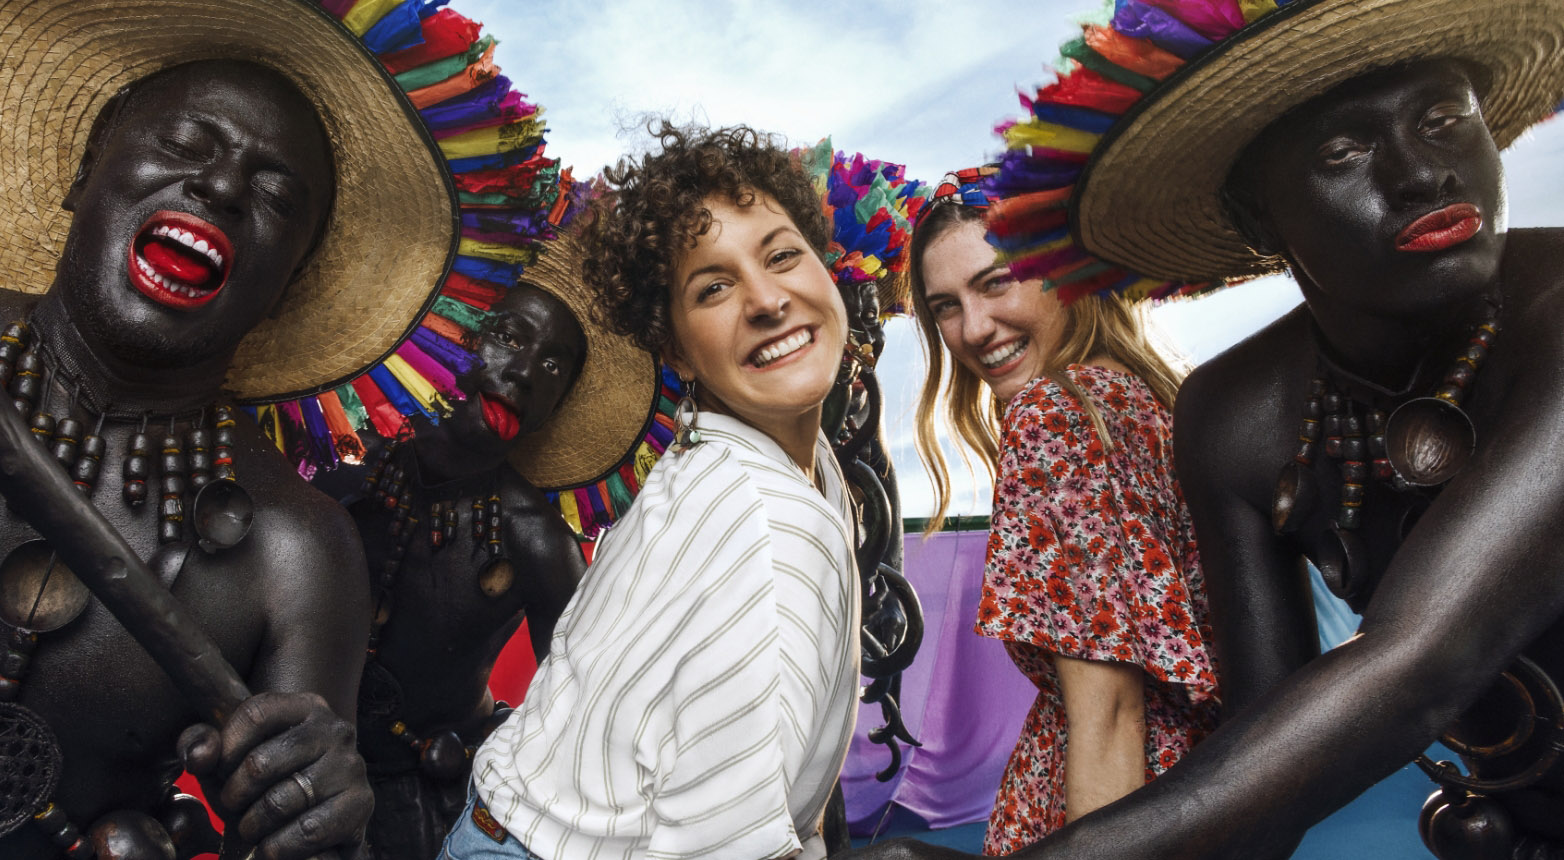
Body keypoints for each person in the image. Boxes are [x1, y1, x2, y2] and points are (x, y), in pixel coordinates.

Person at [838, 0, 1564, 858]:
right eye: (1343, 151)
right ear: (1260, 217)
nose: (1421, 174)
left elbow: (1417, 662)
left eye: (1445, 119)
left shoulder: (1062, 416)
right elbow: (1262, 744)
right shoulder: (1224, 409)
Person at [0, 0, 531, 856]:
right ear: (84, 172)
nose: (220, 187)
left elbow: (311, 839)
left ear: (289, 283)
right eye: (185, 146)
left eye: (277, 195)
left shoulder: (300, 550)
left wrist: (319, 811)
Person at [447, 122, 860, 860]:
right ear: (673, 348)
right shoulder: (771, 528)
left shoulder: (763, 452)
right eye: (714, 287)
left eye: (783, 255)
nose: (766, 300)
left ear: (825, 267)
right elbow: (720, 847)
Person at [907, 175, 1218, 854]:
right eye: (946, 307)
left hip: (1118, 808)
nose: (975, 328)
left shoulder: (1056, 415)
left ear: (1065, 273)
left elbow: (1109, 715)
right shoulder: (1146, 400)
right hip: (1196, 794)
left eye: (997, 282)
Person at [348, 210, 666, 859]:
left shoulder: (534, 537)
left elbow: (588, 716)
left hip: (446, 807)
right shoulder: (346, 467)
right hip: (322, 793)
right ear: (451, 333)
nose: (526, 371)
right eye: (508, 335)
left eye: (555, 366)